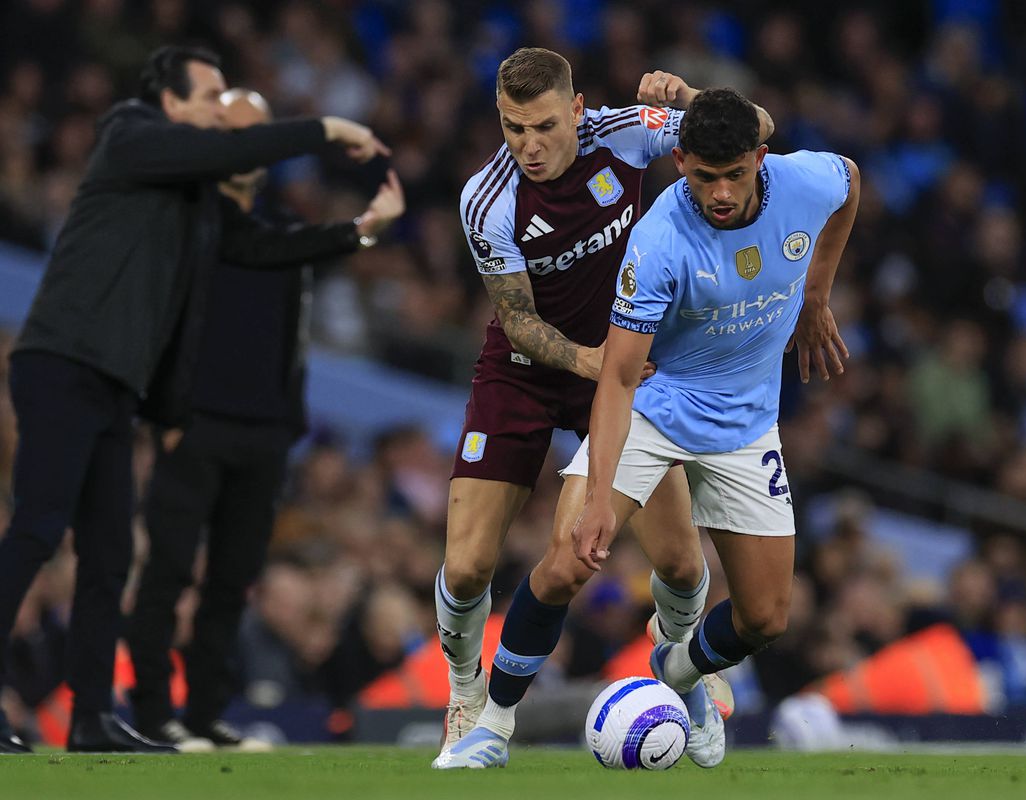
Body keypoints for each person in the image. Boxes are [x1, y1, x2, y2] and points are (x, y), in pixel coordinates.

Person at [439, 87, 859, 769]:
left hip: (748, 422)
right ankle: (492, 722)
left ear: (761, 159)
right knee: (567, 560)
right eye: (702, 176)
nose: (719, 193)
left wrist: (816, 296)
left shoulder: (806, 180)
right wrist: (601, 494)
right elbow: (620, 378)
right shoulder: (659, 240)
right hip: (658, 407)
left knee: (765, 617)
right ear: (680, 163)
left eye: (735, 175)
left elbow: (852, 184)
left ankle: (678, 671)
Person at [0, 45, 390, 754]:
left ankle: (91, 717)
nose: (220, 110)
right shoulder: (131, 134)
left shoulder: (201, 199)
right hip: (62, 363)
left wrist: (358, 231)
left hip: (116, 385)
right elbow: (236, 150)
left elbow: (265, 250)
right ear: (172, 103)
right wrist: (327, 129)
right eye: (211, 96)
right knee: (36, 531)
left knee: (110, 555)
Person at [126, 88, 406, 752]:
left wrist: (367, 225)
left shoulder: (276, 225)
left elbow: (299, 295)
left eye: (254, 133)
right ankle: (146, 714)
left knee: (231, 581)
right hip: (194, 423)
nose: (243, 144)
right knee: (168, 575)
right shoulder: (187, 212)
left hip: (265, 429)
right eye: (232, 131)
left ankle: (201, 716)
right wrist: (162, 405)